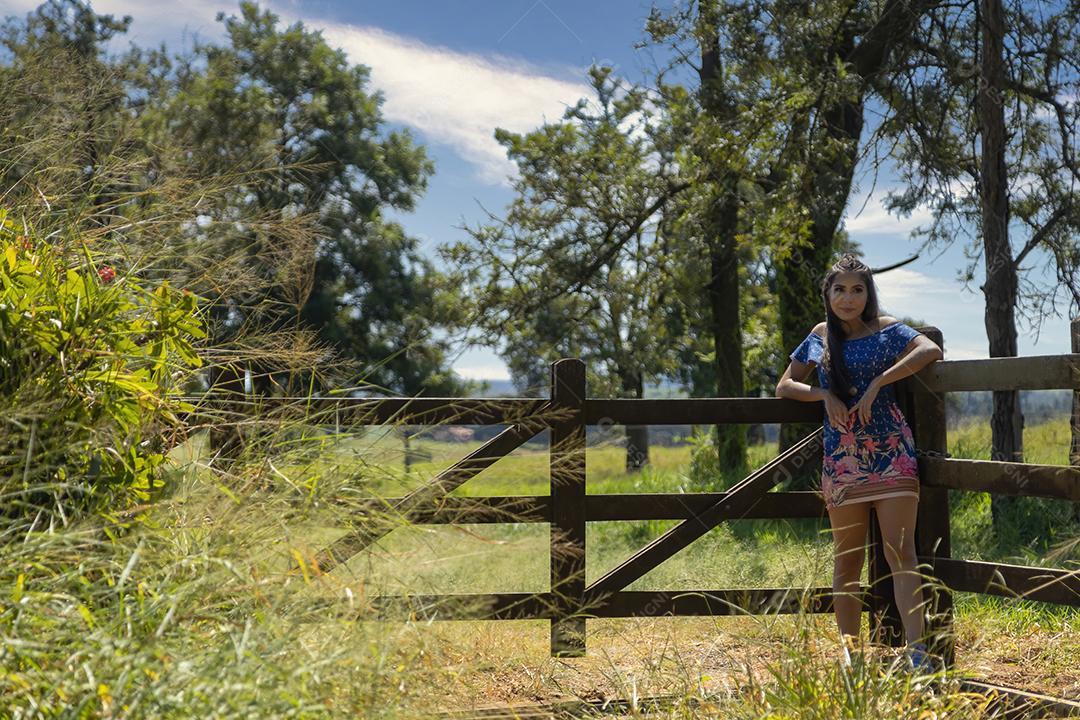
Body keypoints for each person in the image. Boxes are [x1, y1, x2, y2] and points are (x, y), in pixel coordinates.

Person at [774, 253, 944, 672]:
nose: (848, 298)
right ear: (827, 294)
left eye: (857, 289)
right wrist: (823, 395)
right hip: (844, 459)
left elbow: (930, 348)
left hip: (892, 456)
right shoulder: (819, 335)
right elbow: (785, 385)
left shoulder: (886, 330)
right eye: (840, 289)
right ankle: (853, 656)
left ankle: (918, 653)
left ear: (868, 294)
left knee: (901, 552)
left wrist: (880, 381)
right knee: (847, 558)